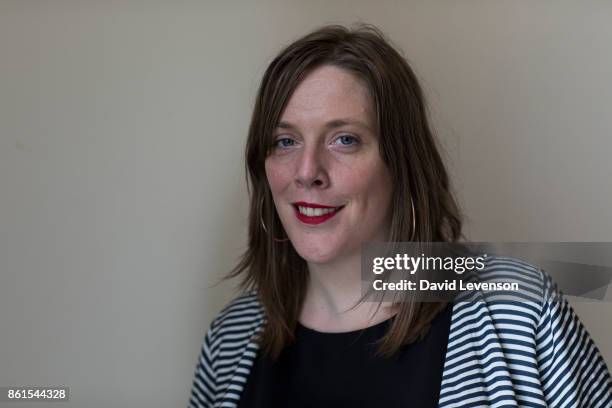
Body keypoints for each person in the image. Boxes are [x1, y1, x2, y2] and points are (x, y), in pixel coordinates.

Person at [188, 24, 612, 407]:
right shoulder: (231, 337)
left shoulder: (519, 307)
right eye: (285, 141)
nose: (307, 172)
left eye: (345, 139)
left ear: (400, 162)